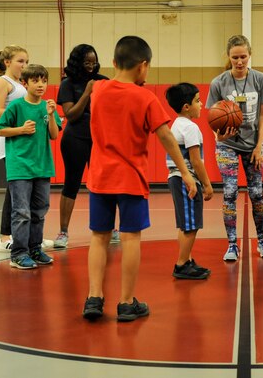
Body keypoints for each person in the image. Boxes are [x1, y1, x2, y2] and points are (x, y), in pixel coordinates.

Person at [81, 36, 197, 321]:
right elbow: (166, 136)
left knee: (99, 237)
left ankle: (94, 298)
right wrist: (185, 172)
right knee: (131, 237)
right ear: (143, 66)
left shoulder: (98, 90)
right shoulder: (145, 97)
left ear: (113, 63)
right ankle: (126, 302)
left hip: (99, 176)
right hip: (130, 178)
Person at [206, 34, 263, 261]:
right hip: (226, 145)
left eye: (243, 56)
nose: (239, 61)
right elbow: (212, 118)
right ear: (228, 56)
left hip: (253, 145)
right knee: (229, 193)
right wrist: (219, 134)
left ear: (250, 55)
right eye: (235, 57)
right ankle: (232, 245)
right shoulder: (218, 83)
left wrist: (258, 146)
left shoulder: (261, 79)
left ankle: (262, 240)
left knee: (256, 194)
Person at [0, 64, 61, 269]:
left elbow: (54, 135)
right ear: (25, 83)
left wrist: (50, 115)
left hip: (42, 167)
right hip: (20, 167)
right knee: (21, 212)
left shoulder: (48, 107)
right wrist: (21, 129)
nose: (41, 85)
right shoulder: (16, 107)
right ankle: (18, 253)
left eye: (44, 81)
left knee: (39, 211)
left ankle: (35, 249)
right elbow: (0, 130)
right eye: (35, 81)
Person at [0, 45, 54, 252]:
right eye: (20, 61)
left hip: (29, 140)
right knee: (16, 194)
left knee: (29, 197)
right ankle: (6, 237)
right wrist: (24, 116)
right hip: (14, 141)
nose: (23, 65)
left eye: (26, 61)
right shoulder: (2, 82)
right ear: (7, 62)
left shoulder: (22, 84)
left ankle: (31, 237)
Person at [53, 44, 109, 248]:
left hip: (99, 138)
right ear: (77, 62)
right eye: (87, 63)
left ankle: (107, 227)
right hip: (75, 138)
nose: (91, 67)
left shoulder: (103, 81)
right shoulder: (68, 84)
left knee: (103, 183)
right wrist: (87, 93)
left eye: (94, 63)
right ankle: (63, 232)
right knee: (72, 183)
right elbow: (71, 115)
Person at [165, 83, 214, 279]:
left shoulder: (176, 124)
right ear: (187, 106)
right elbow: (195, 160)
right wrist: (208, 184)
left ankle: (187, 259)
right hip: (186, 180)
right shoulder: (191, 128)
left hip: (176, 179)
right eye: (198, 101)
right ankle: (181, 264)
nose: (201, 104)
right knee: (191, 225)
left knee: (185, 223)